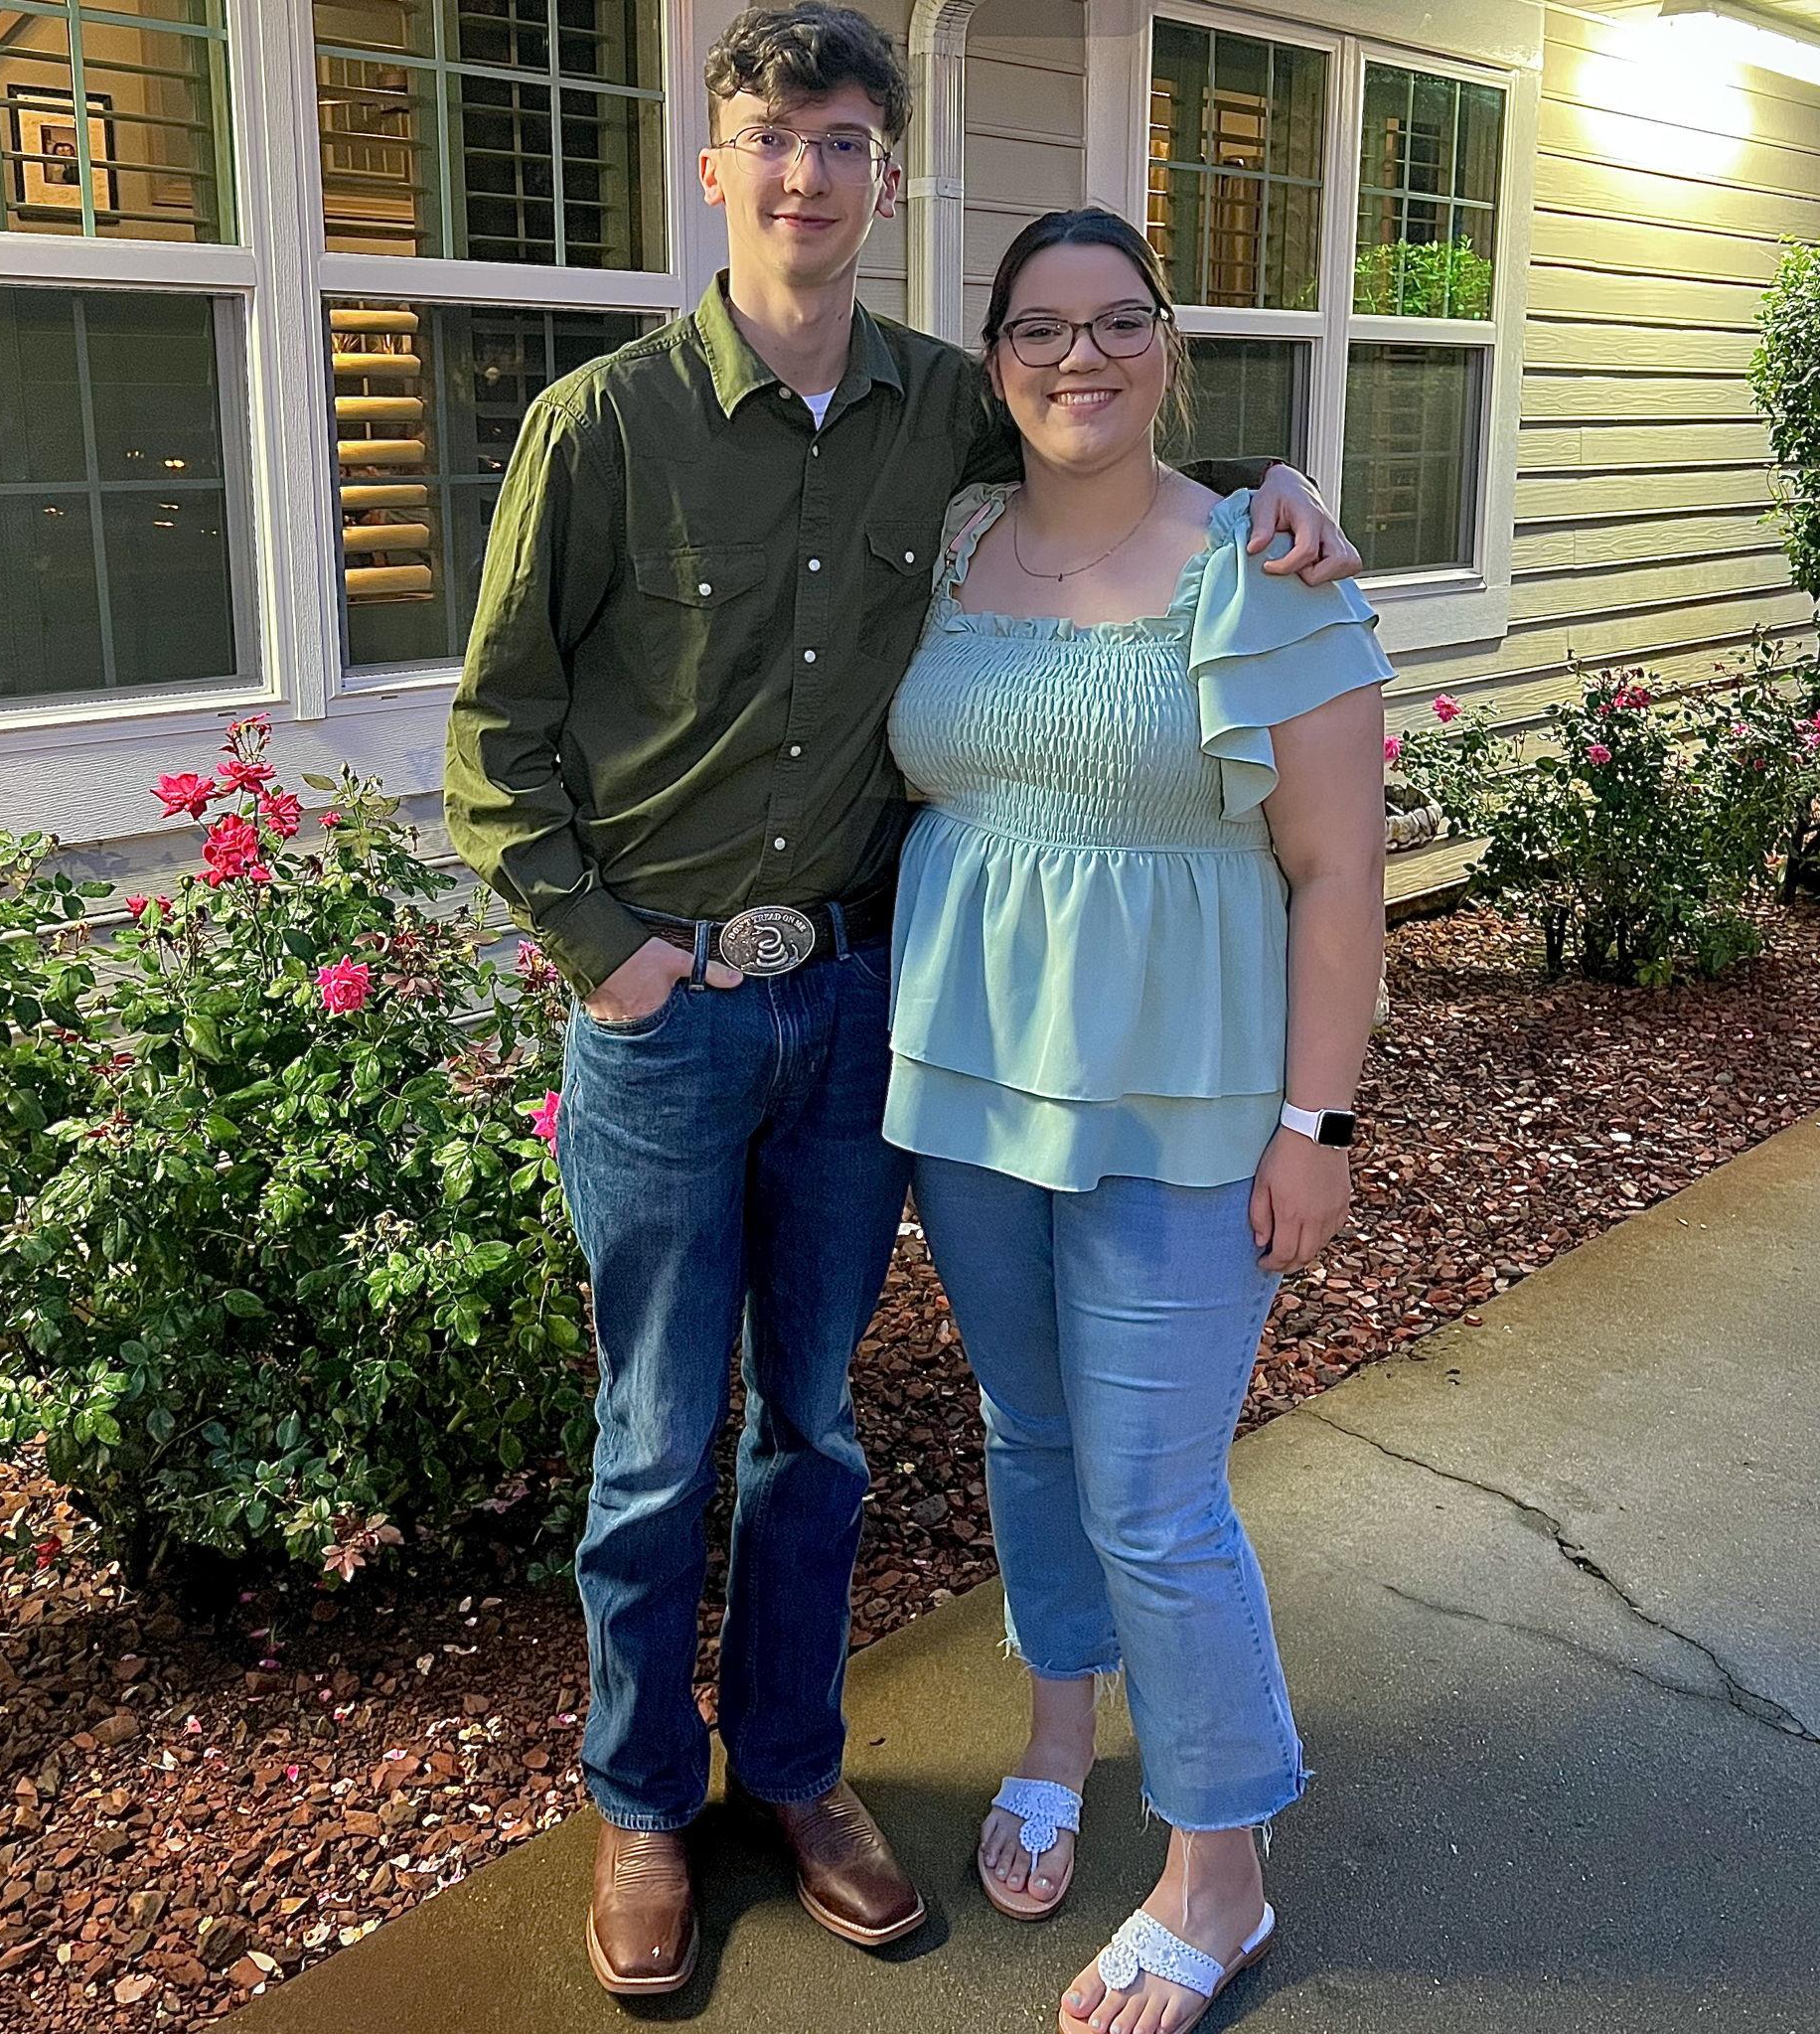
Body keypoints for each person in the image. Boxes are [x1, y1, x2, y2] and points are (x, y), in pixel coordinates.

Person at [443, 5, 1362, 2000]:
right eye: (771, 135)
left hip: (869, 1021)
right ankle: (640, 1806)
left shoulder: (946, 407)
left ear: (882, 173)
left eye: (845, 139)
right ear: (715, 165)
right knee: (650, 1441)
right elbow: (495, 735)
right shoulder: (598, 427)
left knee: (815, 1433)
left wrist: (1275, 483)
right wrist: (610, 954)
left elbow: (1098, 448)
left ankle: (792, 1771)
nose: (804, 173)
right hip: (670, 1020)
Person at [883, 207, 1389, 2034]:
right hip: (972, 1085)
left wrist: (1316, 1128)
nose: (1076, 359)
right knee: (1031, 1438)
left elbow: (1338, 879)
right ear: (995, 359)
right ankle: (1054, 1737)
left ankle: (1220, 1871)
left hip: (1188, 1100)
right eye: (1038, 330)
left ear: (1170, 346)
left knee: (1158, 1498)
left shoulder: (1267, 567)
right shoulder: (951, 535)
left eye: (1117, 326)